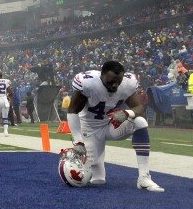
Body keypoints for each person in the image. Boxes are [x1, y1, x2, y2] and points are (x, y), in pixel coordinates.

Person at [66, 61, 164, 191]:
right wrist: (78, 141)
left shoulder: (128, 83)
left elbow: (140, 108)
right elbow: (72, 111)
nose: (115, 85)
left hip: (111, 124)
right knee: (96, 180)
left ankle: (144, 178)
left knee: (140, 122)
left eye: (118, 81)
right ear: (102, 75)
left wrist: (126, 113)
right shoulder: (88, 83)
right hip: (89, 130)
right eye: (111, 81)